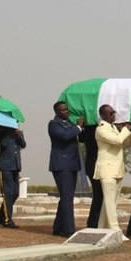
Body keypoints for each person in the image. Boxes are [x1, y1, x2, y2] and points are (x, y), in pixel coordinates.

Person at [93, 104, 131, 233]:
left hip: (117, 169)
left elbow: (126, 143)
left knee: (110, 202)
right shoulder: (101, 129)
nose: (114, 115)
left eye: (114, 112)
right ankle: (115, 230)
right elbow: (117, 141)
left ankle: (102, 228)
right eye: (111, 113)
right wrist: (125, 130)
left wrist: (127, 130)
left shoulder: (115, 128)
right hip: (107, 169)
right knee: (110, 203)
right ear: (103, 115)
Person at [47, 102, 84, 238]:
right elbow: (65, 136)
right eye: (63, 110)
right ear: (57, 112)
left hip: (72, 164)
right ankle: (68, 230)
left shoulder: (70, 123)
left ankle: (58, 227)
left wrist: (82, 128)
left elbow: (78, 136)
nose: (66, 112)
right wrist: (79, 127)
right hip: (62, 165)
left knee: (66, 197)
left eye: (67, 109)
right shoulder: (54, 124)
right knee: (67, 198)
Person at [0, 126, 26, 228]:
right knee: (7, 194)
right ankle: (7, 220)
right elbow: (4, 144)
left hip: (15, 166)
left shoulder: (18, 132)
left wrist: (18, 134)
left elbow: (23, 144)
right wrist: (8, 132)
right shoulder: (2, 132)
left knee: (15, 193)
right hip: (5, 167)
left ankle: (0, 217)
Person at [81, 126, 102, 229]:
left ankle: (95, 221)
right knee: (99, 194)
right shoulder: (93, 128)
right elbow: (81, 138)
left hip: (99, 164)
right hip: (93, 164)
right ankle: (94, 222)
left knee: (100, 195)